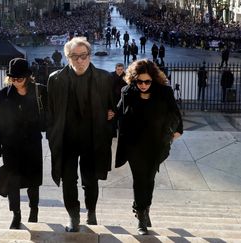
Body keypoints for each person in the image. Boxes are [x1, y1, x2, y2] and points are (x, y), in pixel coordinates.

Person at [47, 37, 115, 232]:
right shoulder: (55, 79)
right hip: (66, 139)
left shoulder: (104, 78)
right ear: (68, 57)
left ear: (89, 56)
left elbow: (113, 107)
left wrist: (110, 119)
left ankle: (91, 211)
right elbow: (50, 112)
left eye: (83, 56)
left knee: (90, 179)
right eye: (74, 56)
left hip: (92, 138)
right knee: (68, 180)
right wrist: (52, 135)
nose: (79, 61)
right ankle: (73, 217)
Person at [115, 59, 183, 235]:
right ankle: (141, 217)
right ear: (134, 79)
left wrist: (177, 131)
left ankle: (145, 208)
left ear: (153, 79)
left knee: (150, 179)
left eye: (147, 81)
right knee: (139, 180)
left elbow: (175, 112)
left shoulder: (164, 92)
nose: (143, 85)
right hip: (134, 145)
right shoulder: (127, 91)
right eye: (140, 81)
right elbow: (119, 111)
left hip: (155, 144)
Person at [0, 58, 47, 229]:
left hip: (32, 144)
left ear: (28, 77)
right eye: (12, 79)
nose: (16, 82)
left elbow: (54, 113)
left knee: (33, 181)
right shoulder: (2, 96)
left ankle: (34, 210)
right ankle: (16, 214)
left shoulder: (40, 92)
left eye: (19, 79)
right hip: (10, 146)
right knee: (12, 182)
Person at [111, 63, 126, 137]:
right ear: (115, 69)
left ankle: (121, 133)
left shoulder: (126, 76)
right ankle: (113, 133)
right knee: (113, 117)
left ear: (123, 69)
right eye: (118, 69)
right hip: (113, 99)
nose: (120, 71)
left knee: (121, 117)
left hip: (123, 99)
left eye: (121, 69)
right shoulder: (111, 75)